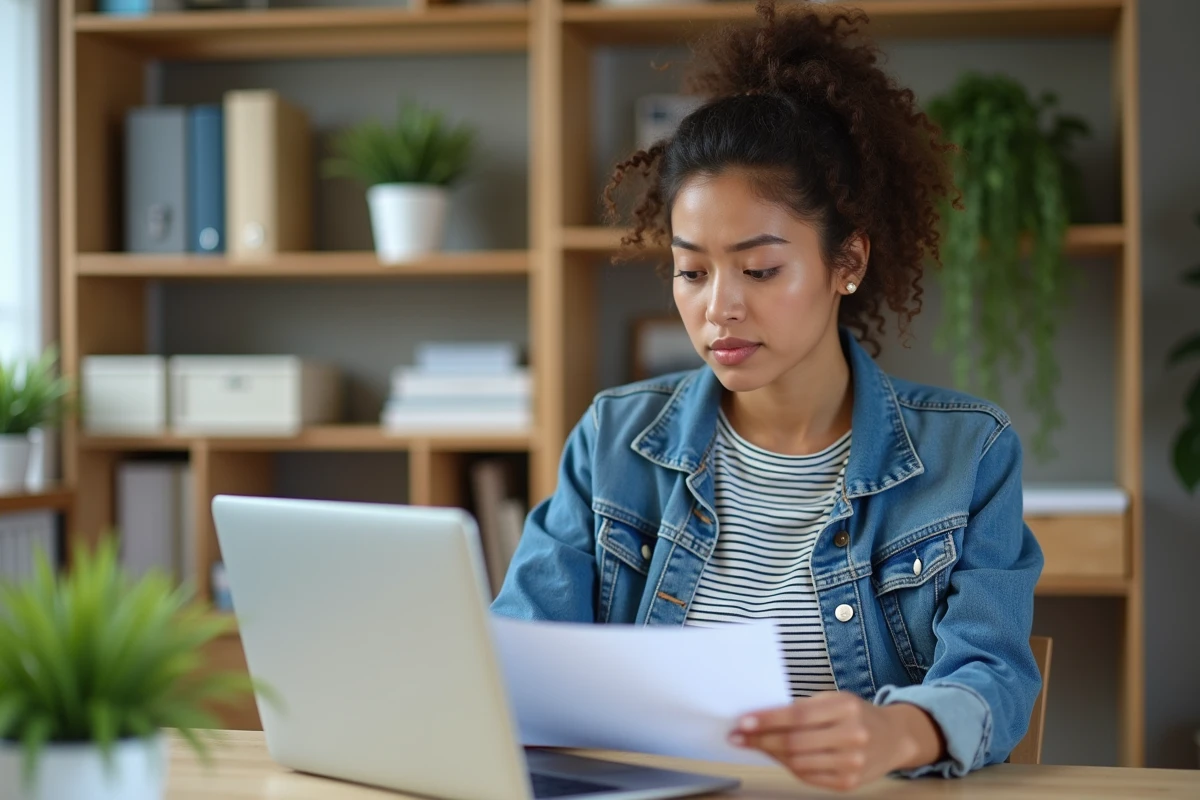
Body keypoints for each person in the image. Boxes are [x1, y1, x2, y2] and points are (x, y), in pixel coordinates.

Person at [491, 0, 1043, 791]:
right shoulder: (614, 441)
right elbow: (520, 650)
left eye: (759, 269)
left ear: (845, 261)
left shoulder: (968, 454)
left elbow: (993, 675)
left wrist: (895, 730)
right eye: (691, 271)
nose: (719, 308)